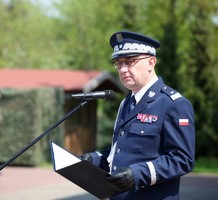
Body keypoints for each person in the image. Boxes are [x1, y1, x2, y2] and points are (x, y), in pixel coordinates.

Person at [80, 31, 195, 200]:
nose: (123, 69)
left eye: (130, 61)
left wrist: (137, 174)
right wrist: (95, 159)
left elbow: (182, 159)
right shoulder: (126, 103)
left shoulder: (173, 103)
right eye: (119, 63)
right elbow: (122, 152)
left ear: (151, 62)